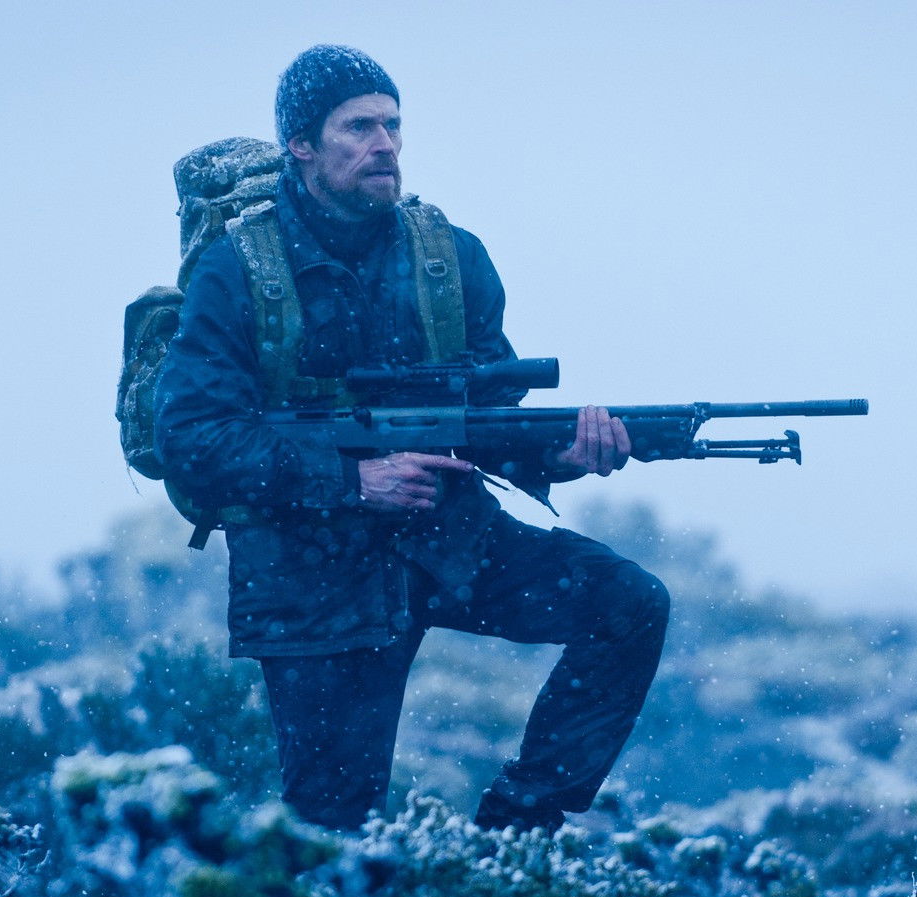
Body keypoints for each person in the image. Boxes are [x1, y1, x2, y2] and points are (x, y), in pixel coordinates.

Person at [153, 45, 668, 832]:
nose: (385, 144)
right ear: (301, 144)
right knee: (336, 833)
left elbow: (488, 415)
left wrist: (559, 454)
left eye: (393, 125)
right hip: (312, 582)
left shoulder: (449, 258)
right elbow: (193, 437)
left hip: (449, 544)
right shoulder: (236, 272)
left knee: (628, 605)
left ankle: (514, 836)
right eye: (359, 127)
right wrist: (355, 482)